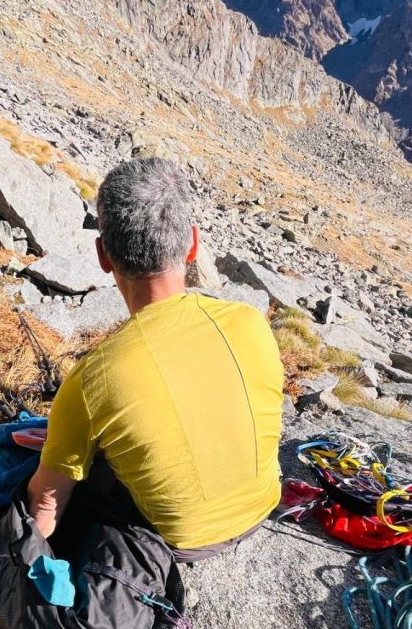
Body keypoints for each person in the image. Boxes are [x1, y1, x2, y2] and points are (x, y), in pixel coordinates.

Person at [28, 157, 284, 563]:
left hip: (181, 541)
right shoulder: (251, 322)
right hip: (264, 505)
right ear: (193, 244)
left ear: (103, 255)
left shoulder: (93, 379)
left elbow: (46, 505)